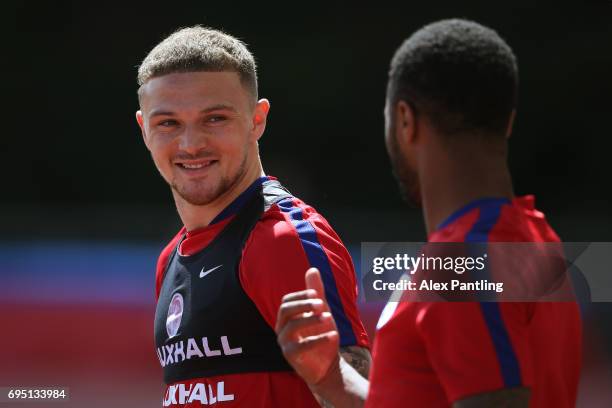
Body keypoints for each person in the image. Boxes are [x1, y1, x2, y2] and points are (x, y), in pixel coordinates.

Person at [275, 19, 582, 408]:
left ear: (405, 120)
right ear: (508, 121)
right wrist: (332, 377)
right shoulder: (539, 238)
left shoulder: (460, 260)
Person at [135, 26, 370, 407]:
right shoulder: (171, 259)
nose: (191, 143)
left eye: (215, 119)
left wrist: (331, 379)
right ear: (144, 130)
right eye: (168, 123)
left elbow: (360, 394)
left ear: (257, 120)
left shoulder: (283, 238)